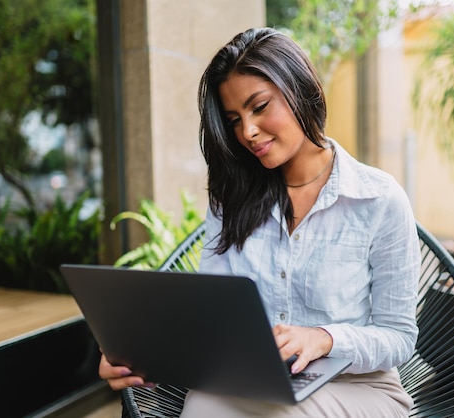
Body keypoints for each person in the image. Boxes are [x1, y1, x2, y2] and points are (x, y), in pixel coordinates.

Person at [99, 27, 420, 417]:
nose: (247, 132)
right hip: (255, 380)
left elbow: (399, 337)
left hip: (358, 385)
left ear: (300, 89)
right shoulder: (232, 199)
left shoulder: (378, 199)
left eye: (260, 106)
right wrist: (140, 356)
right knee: (201, 407)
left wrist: (324, 338)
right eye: (234, 119)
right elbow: (211, 317)